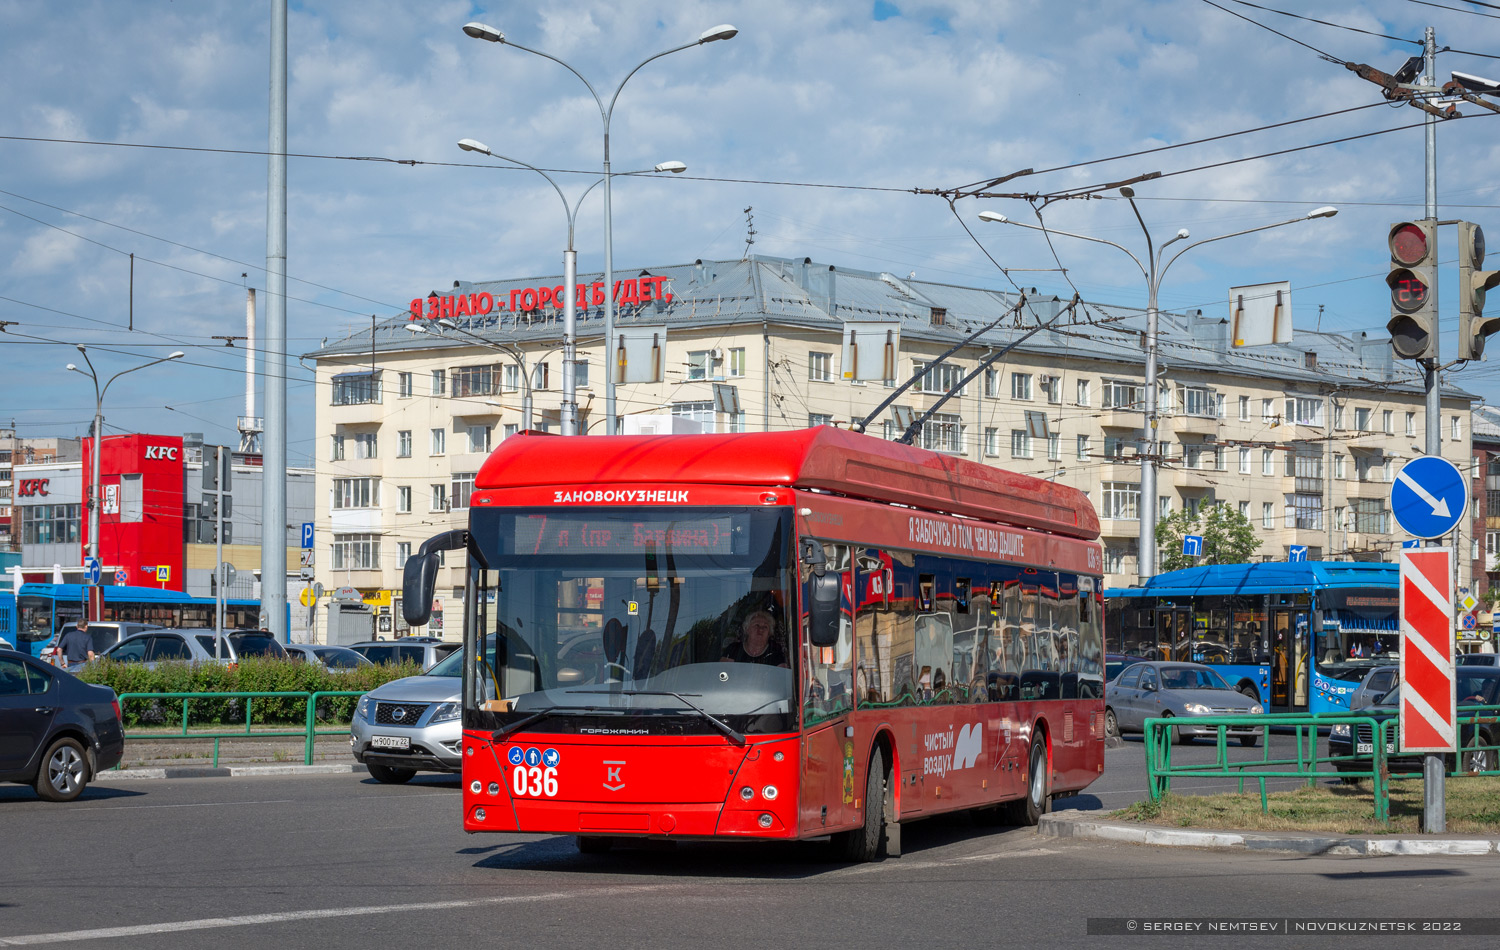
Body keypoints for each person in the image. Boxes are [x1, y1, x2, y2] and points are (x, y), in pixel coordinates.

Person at [721, 609, 787, 667]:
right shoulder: (734, 649)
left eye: (765, 627)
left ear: (769, 633)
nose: (761, 630)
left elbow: (781, 677)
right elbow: (723, 673)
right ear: (747, 629)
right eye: (756, 625)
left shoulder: (776, 653)